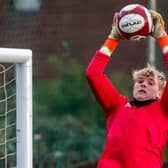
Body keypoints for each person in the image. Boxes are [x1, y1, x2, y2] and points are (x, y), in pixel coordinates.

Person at [86, 9, 168, 168]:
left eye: (151, 83)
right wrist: (113, 38)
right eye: (140, 81)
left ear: (160, 93)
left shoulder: (162, 109)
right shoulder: (116, 106)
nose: (143, 84)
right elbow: (93, 74)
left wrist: (162, 36)